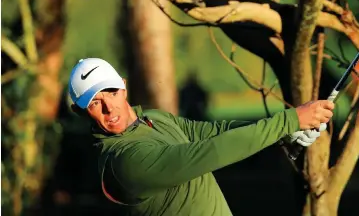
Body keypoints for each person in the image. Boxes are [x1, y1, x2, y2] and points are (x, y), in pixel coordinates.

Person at [68, 58, 334, 215]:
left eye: (111, 93)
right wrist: (290, 120)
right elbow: (211, 152)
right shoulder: (123, 162)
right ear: (79, 111)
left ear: (124, 87)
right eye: (94, 103)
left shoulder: (155, 119)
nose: (108, 108)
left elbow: (215, 132)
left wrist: (284, 135)